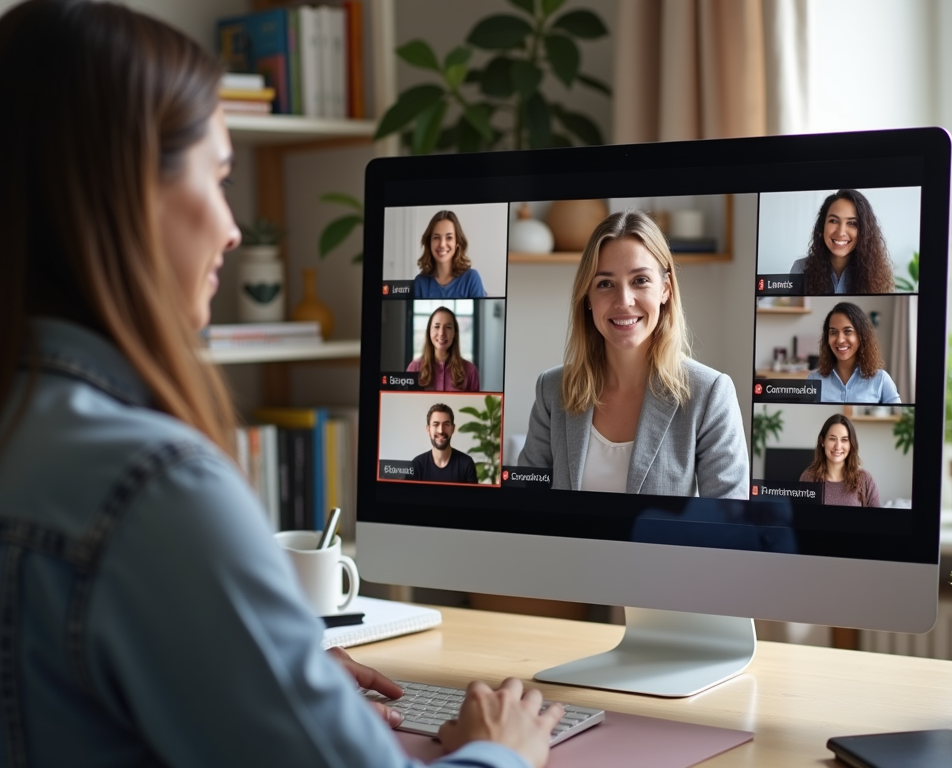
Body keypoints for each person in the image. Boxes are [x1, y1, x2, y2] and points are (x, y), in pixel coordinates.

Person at [0, 2, 562, 767]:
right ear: (128, 190)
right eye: (219, 176)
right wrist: (503, 751)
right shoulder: (152, 490)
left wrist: (260, 677)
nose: (234, 228)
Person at [518, 210, 749, 498]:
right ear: (587, 297)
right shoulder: (552, 389)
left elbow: (730, 524)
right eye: (605, 283)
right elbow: (526, 503)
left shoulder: (710, 393)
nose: (624, 301)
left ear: (665, 289)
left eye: (640, 280)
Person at [790, 189, 895, 294]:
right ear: (822, 227)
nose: (841, 232)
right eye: (834, 221)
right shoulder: (800, 268)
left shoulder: (876, 275)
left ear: (864, 232)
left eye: (852, 223)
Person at [807, 302, 901, 404]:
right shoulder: (813, 379)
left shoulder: (881, 379)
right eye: (833, 332)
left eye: (847, 331)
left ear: (861, 336)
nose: (840, 340)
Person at [799, 414, 880, 507]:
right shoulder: (808, 478)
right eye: (832, 439)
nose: (837, 446)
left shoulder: (865, 479)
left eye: (844, 440)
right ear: (822, 441)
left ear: (851, 445)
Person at [413, 210, 487, 298]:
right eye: (436, 238)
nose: (442, 244)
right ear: (429, 242)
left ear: (457, 243)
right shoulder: (420, 282)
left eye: (449, 237)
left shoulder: (471, 279)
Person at [406, 305, 480, 391]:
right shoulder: (414, 368)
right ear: (429, 332)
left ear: (455, 334)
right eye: (437, 327)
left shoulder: (470, 371)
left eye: (448, 327)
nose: (441, 333)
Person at [412, 404, 479, 484]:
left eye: (446, 424)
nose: (441, 430)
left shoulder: (466, 464)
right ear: (428, 429)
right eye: (436, 424)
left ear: (453, 429)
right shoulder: (417, 465)